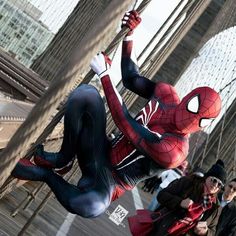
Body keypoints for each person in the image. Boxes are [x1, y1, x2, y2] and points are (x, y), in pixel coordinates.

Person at [11, 11, 222, 218]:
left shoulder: (176, 151)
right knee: (86, 94)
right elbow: (131, 79)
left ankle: (45, 175)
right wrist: (130, 36)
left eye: (201, 119)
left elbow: (127, 124)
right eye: (194, 107)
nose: (192, 118)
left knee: (92, 206)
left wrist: (105, 75)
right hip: (101, 149)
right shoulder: (166, 95)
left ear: (204, 125)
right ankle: (63, 159)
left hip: (112, 181)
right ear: (188, 97)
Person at [150, 160, 226, 235]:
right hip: (162, 229)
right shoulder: (188, 182)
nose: (215, 185)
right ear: (207, 177)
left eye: (219, 184)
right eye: (214, 180)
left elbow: (212, 231)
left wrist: (205, 232)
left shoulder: (216, 206)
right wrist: (180, 202)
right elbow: (161, 195)